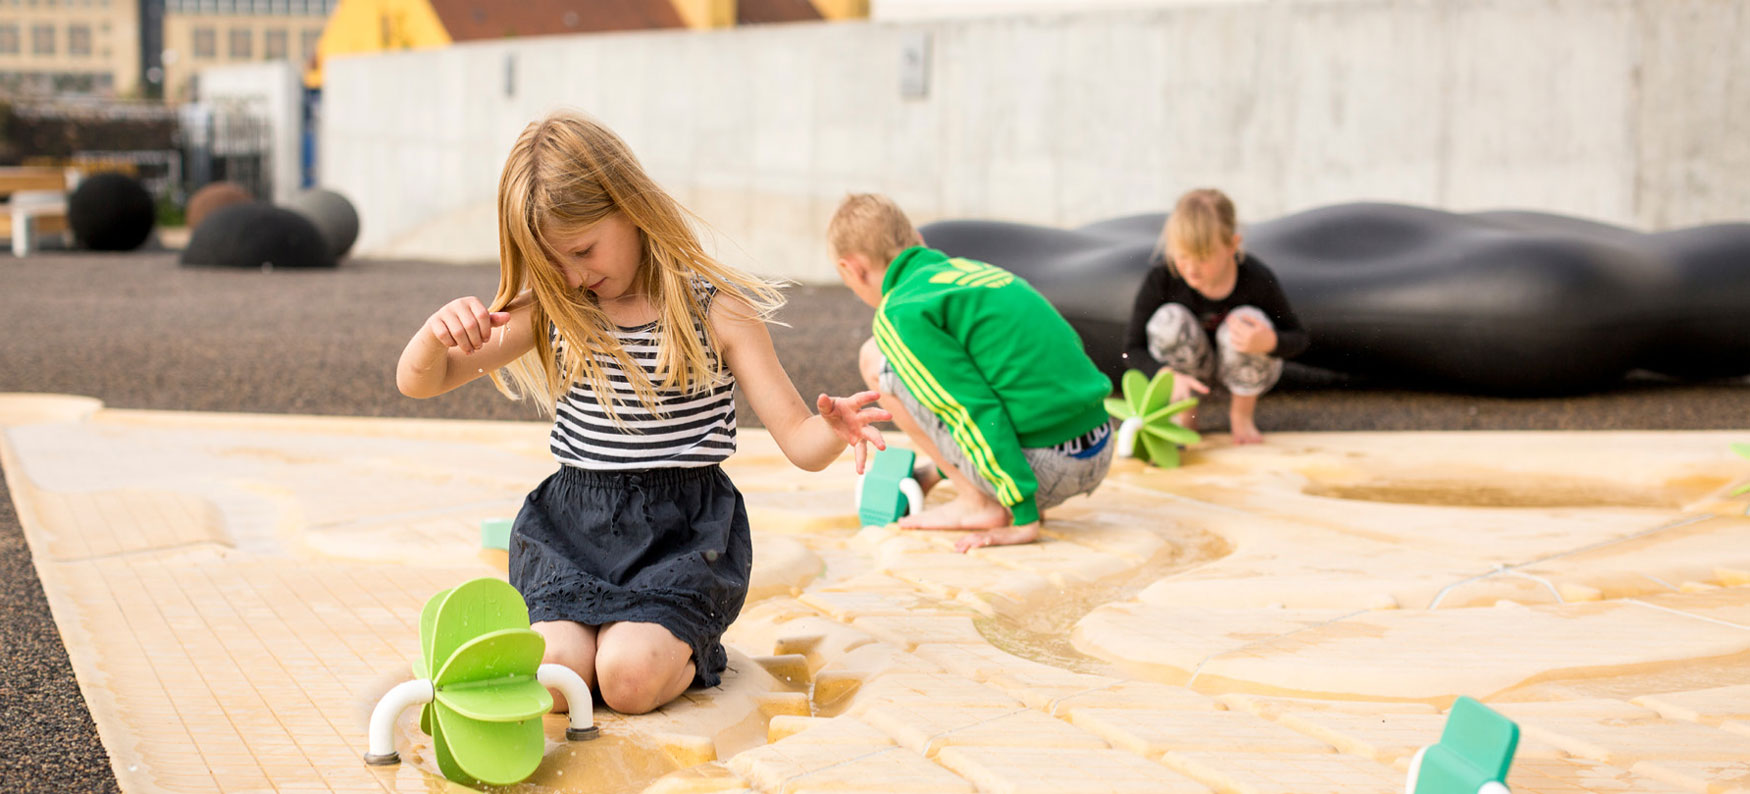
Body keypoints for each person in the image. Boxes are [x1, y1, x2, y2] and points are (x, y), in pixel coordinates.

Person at [396, 112, 887, 715]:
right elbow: (422, 382)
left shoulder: (715, 311)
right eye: (554, 263)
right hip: (574, 531)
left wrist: (834, 431)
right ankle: (606, 637)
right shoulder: (557, 306)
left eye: (583, 250)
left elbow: (800, 443)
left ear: (629, 206)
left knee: (625, 680)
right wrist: (431, 335)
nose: (574, 276)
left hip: (680, 537)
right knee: (555, 680)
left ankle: (692, 647)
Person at [829, 194, 1114, 553]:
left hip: (1049, 468)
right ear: (915, 238)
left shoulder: (900, 310)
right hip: (1100, 444)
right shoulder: (970, 272)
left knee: (876, 359)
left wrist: (1023, 514)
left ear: (852, 269)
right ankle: (943, 474)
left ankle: (977, 503)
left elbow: (968, 406)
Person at [1123, 188, 1308, 444]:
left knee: (1246, 319)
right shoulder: (1163, 277)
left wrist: (1269, 341)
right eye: (1182, 255)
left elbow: (1299, 338)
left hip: (1242, 377)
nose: (1191, 269)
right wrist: (1165, 374)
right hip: (1190, 376)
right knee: (1168, 319)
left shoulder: (1255, 278)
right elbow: (1131, 349)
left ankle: (1241, 417)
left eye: (1203, 257)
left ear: (1233, 244)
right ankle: (1187, 415)